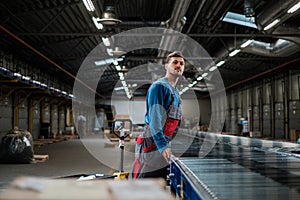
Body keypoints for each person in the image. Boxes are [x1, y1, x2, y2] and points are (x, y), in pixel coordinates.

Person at [132, 51, 185, 179]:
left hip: (165, 141)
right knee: (146, 181)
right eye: (175, 62)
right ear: (166, 66)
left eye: (182, 63)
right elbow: (154, 120)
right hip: (153, 142)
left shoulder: (176, 92)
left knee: (160, 181)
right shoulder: (159, 87)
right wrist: (162, 145)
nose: (179, 65)